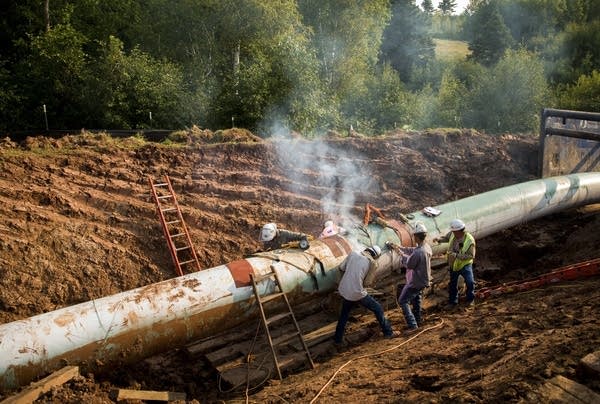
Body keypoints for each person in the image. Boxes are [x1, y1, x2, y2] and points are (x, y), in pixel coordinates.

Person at [334, 245, 400, 345]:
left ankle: (337, 340)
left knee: (344, 315)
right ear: (375, 256)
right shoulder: (372, 263)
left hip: (344, 290)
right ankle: (388, 332)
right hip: (357, 292)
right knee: (378, 308)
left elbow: (341, 268)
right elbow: (367, 283)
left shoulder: (353, 253)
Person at [388, 222, 432, 334]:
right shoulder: (426, 247)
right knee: (416, 301)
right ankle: (418, 321)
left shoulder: (419, 252)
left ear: (416, 236)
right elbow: (413, 250)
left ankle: (413, 326)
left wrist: (400, 254)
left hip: (415, 282)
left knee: (403, 301)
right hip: (423, 280)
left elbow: (409, 264)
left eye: (414, 236)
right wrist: (400, 247)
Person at [438, 218, 476, 308]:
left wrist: (456, 255)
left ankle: (470, 300)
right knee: (453, 283)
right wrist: (439, 240)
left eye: (455, 231)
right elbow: (447, 238)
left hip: (465, 264)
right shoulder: (452, 234)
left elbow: (471, 256)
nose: (453, 233)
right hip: (454, 264)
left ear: (460, 230)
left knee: (470, 282)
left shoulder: (469, 240)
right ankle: (452, 302)